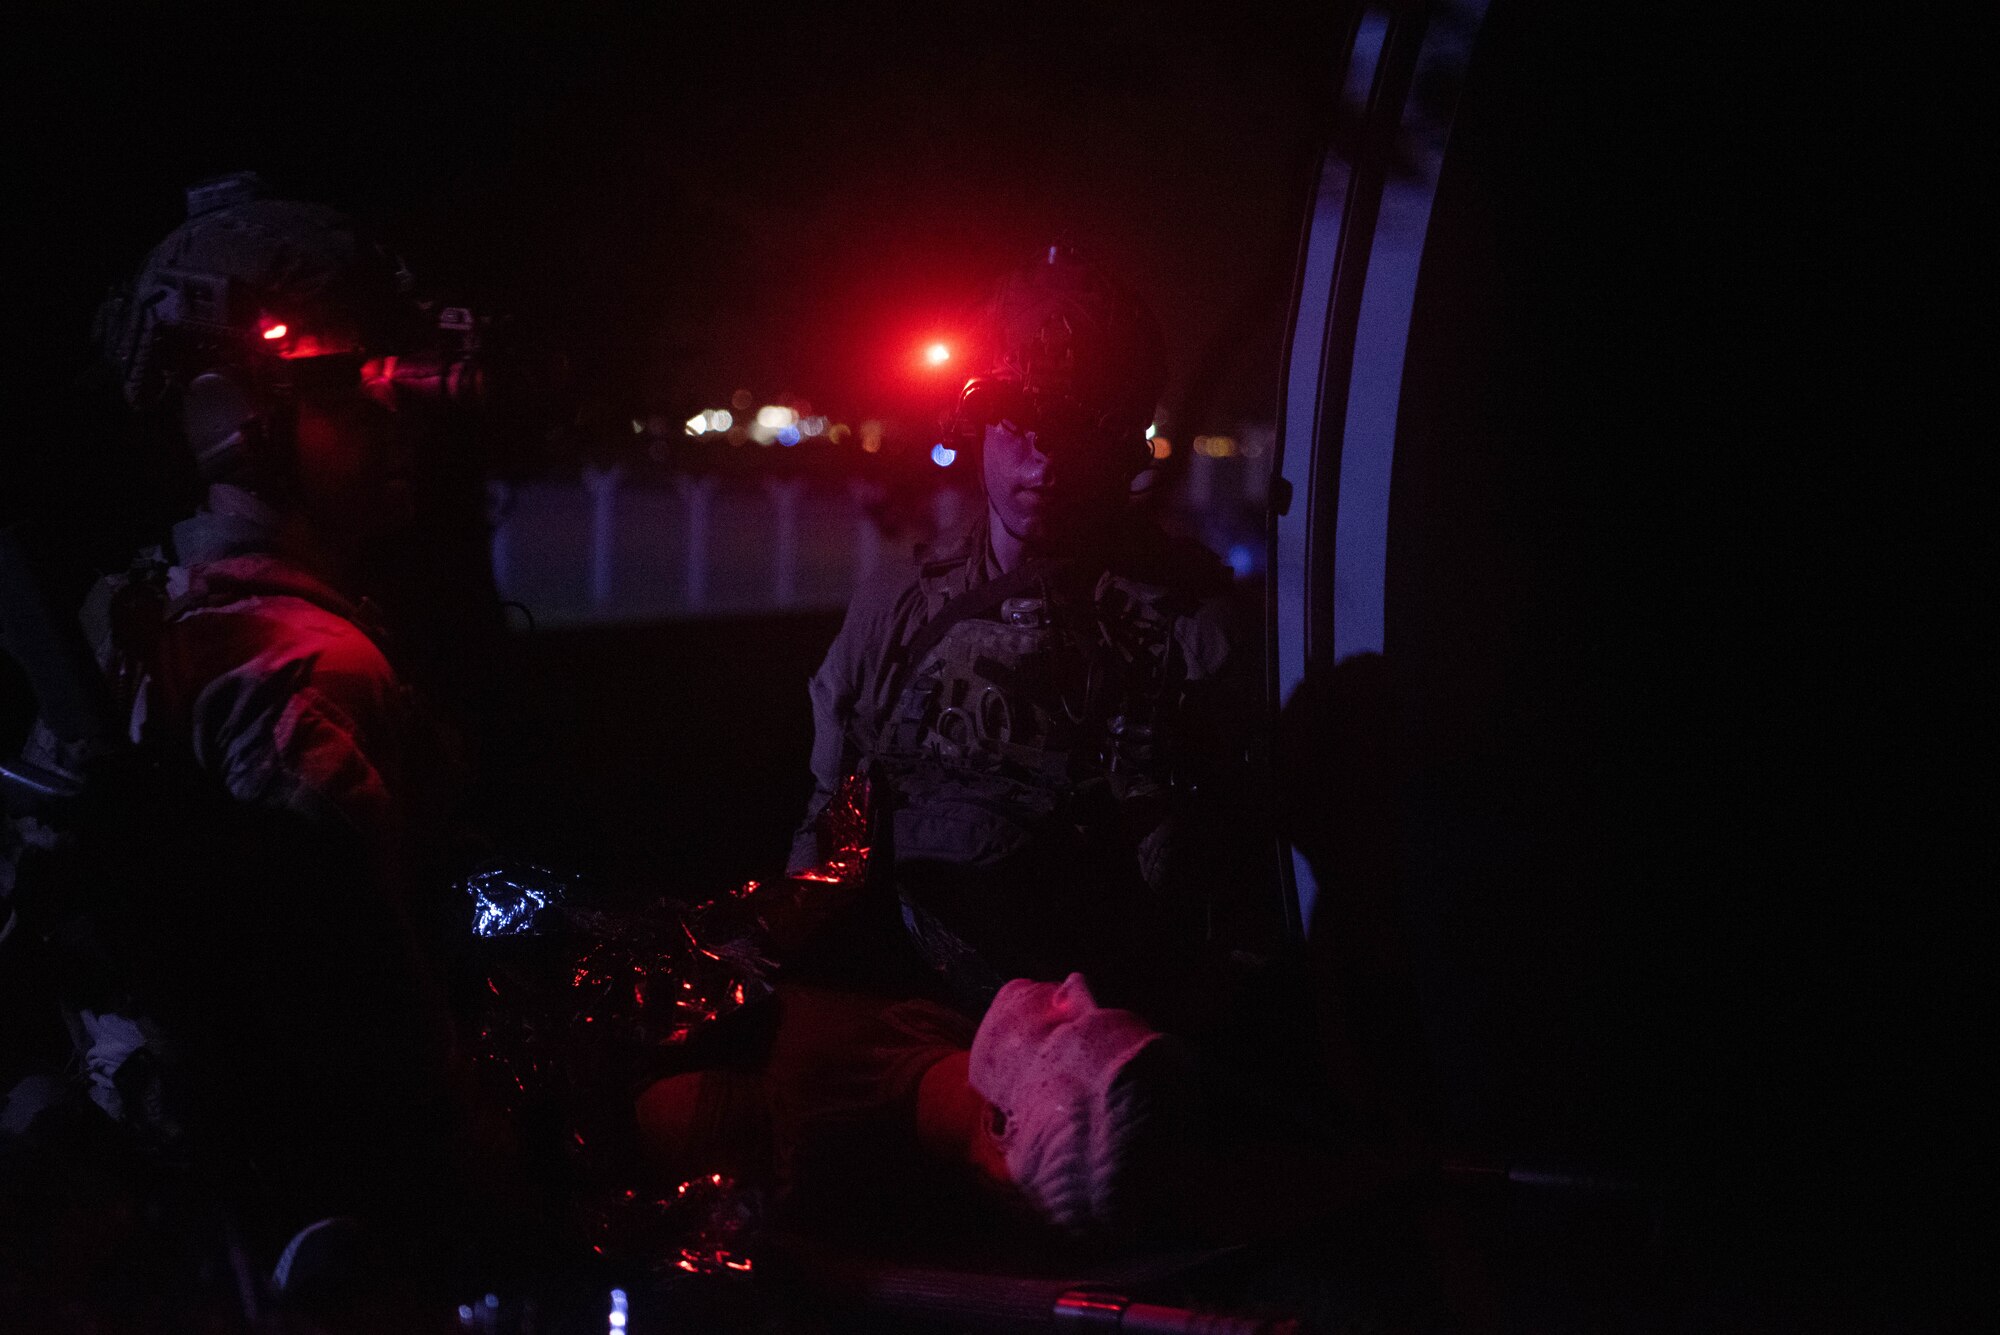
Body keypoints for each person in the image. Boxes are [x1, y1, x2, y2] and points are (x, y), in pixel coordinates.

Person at [642, 246, 1267, 1238]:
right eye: (1019, 423)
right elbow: (831, 817)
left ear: (1123, 441)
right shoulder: (899, 603)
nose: (1042, 460)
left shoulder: (1193, 629)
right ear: (979, 421)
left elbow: (1235, 894)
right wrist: (763, 955)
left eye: (1078, 429)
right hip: (909, 1015)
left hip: (1085, 1053)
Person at [0, 175, 485, 1276]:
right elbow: (358, 1016)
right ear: (239, 424)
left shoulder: (137, 617)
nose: (406, 421)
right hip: (303, 1229)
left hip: (154, 1203)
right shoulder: (304, 663)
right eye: (362, 388)